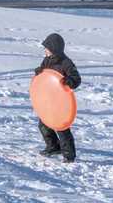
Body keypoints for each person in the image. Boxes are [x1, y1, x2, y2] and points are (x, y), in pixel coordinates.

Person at [34, 32, 81, 162]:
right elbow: (44, 75)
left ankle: (69, 155)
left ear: (54, 49)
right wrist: (39, 72)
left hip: (61, 102)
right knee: (44, 125)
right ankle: (53, 146)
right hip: (49, 100)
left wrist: (68, 81)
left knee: (62, 128)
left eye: (46, 48)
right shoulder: (47, 60)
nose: (45, 50)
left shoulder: (66, 63)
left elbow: (76, 79)